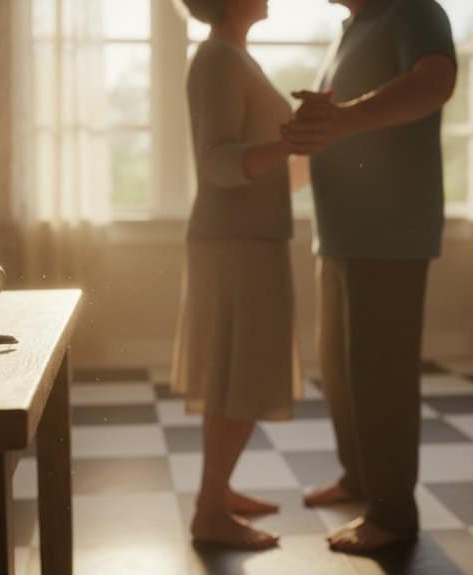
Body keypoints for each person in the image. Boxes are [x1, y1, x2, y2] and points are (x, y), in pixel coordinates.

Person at [281, 0, 457, 554]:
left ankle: (392, 513)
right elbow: (331, 130)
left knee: (381, 374)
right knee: (340, 366)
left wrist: (346, 116)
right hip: (341, 235)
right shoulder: (354, 28)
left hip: (389, 234)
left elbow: (435, 83)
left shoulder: (415, 10)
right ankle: (360, 479)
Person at [171, 0, 310, 551]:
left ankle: (218, 494)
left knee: (236, 374)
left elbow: (254, 161)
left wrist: (297, 146)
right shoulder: (220, 60)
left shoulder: (233, 58)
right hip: (237, 245)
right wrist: (290, 142)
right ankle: (209, 511)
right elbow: (217, 162)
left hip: (246, 239)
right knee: (240, 376)